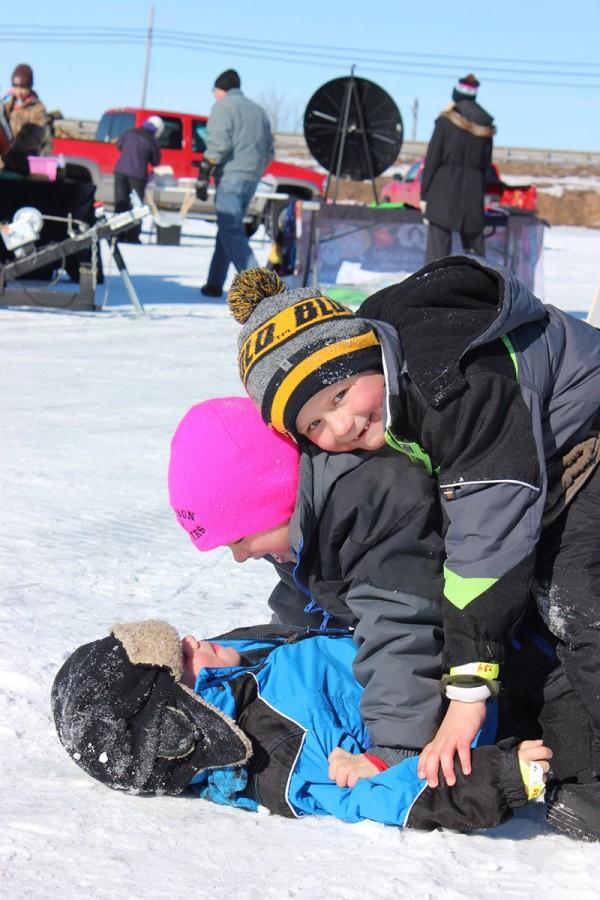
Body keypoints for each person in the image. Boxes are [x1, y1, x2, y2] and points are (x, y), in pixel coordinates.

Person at [225, 263, 600, 837]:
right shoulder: (391, 403)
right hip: (546, 467)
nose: (343, 423)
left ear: (367, 353)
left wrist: (468, 694)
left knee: (575, 598)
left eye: (341, 393)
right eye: (316, 425)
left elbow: (488, 539)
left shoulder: (448, 380)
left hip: (587, 434)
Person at [51, 617, 552, 832]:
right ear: (185, 724)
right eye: (184, 655)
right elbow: (377, 798)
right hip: (492, 706)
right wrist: (500, 776)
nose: (195, 637)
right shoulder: (278, 755)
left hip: (448, 650)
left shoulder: (234, 666)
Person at [168, 396, 446, 772]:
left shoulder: (367, 509)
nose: (239, 556)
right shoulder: (300, 533)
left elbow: (398, 629)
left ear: (274, 501)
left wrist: (395, 746)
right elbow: (303, 609)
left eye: (239, 540)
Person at [199, 69, 273, 299]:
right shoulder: (259, 111)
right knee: (228, 229)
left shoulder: (223, 107)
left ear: (221, 89)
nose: (214, 96)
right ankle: (214, 283)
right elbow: (269, 149)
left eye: (214, 91)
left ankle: (260, 286)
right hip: (252, 177)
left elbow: (218, 144)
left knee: (231, 230)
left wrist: (204, 173)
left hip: (231, 176)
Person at [420, 74, 496, 264]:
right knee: (477, 260)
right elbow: (486, 167)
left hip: (442, 192)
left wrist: (424, 195)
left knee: (436, 259)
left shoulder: (445, 122)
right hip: (473, 193)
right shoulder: (486, 127)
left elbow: (432, 160)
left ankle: (433, 292)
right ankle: (481, 290)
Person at [114, 115, 164, 243]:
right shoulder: (152, 140)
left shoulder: (129, 132)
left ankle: (117, 234)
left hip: (120, 171)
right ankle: (132, 236)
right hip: (138, 175)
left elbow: (119, 145)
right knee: (136, 206)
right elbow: (156, 161)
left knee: (121, 203)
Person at [1, 64, 50, 167]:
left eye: (23, 88)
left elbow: (37, 136)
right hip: (4, 160)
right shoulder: (8, 103)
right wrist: (5, 99)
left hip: (24, 161)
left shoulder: (37, 108)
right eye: (15, 87)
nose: (19, 92)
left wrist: (15, 146)